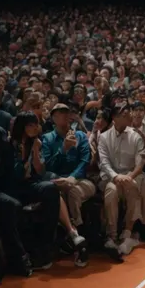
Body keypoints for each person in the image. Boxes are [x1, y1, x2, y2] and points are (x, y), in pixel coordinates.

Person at [0, 112, 63, 272]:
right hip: (10, 186)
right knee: (15, 204)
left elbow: (41, 170)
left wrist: (35, 151)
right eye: (31, 125)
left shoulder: (35, 143)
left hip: (27, 184)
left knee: (50, 189)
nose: (36, 128)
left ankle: (46, 246)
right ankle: (22, 254)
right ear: (22, 126)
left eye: (37, 124)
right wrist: (24, 158)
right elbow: (13, 173)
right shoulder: (9, 144)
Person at [98, 103, 145, 256]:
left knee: (133, 186)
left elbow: (140, 163)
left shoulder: (136, 135)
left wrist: (129, 177)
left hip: (132, 175)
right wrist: (116, 176)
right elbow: (104, 162)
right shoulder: (103, 137)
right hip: (114, 177)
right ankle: (111, 235)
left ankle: (128, 233)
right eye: (125, 114)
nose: (130, 115)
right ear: (115, 118)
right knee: (111, 190)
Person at [40, 104, 94, 267]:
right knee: (54, 192)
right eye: (60, 114)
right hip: (57, 181)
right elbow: (48, 167)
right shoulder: (47, 138)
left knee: (73, 192)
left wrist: (72, 177)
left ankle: (78, 240)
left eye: (67, 113)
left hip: (81, 181)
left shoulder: (80, 136)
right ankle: (72, 240)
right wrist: (63, 149)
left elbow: (85, 161)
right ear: (53, 118)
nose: (65, 116)